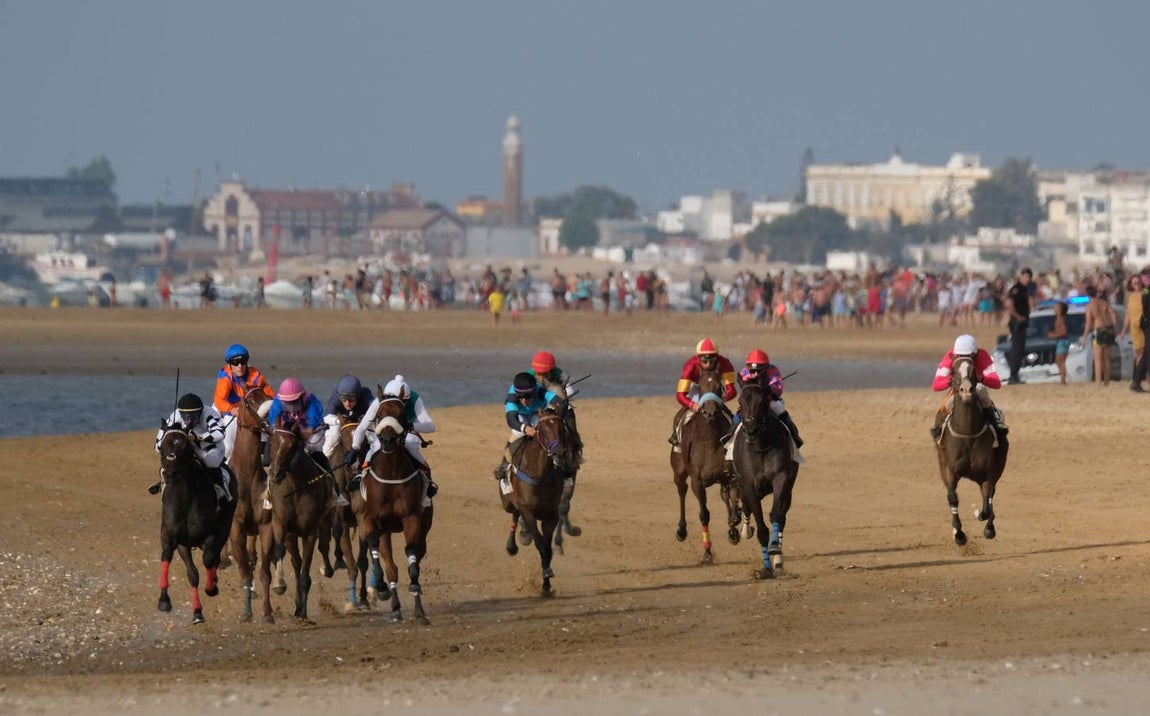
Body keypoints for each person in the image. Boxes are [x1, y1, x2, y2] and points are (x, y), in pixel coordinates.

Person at [345, 375, 437, 506]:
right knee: (375, 445)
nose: (403, 405)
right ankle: (362, 474)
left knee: (410, 444)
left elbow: (431, 426)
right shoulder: (380, 401)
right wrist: (355, 448)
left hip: (407, 433)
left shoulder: (415, 399)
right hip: (384, 434)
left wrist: (411, 425)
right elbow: (362, 427)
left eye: (404, 403)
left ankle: (427, 479)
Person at [267, 378, 348, 507]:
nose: (292, 407)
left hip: (310, 431)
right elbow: (273, 423)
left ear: (302, 397)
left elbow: (310, 428)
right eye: (287, 404)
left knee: (314, 451)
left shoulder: (312, 403)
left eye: (294, 403)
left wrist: (301, 436)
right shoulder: (277, 403)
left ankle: (335, 491)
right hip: (288, 431)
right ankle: (268, 493)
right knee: (275, 451)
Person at [151, 393, 234, 509]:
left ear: (200, 412)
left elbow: (220, 433)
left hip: (210, 447)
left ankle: (222, 490)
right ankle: (164, 482)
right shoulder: (176, 415)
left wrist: (197, 437)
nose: (188, 420)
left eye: (193, 416)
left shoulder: (209, 414)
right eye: (184, 416)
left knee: (211, 462)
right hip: (187, 446)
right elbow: (158, 444)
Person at [929, 334, 1008, 438]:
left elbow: (996, 383)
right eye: (960, 356)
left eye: (968, 356)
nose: (964, 358)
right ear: (955, 354)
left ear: (975, 353)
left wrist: (982, 378)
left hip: (976, 387)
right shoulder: (950, 356)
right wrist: (951, 381)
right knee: (948, 402)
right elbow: (936, 384)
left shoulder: (982, 355)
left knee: (982, 393)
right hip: (958, 388)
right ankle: (938, 426)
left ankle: (996, 424)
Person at [493, 371, 564, 479]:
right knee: (517, 434)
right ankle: (504, 465)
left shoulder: (541, 391)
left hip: (537, 412)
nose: (524, 401)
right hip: (520, 414)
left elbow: (560, 403)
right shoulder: (512, 398)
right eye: (521, 398)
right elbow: (511, 420)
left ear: (534, 392)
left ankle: (562, 461)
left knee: (548, 431)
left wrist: (556, 410)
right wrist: (524, 428)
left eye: (528, 397)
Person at [668, 338, 737, 447]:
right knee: (681, 415)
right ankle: (677, 435)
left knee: (730, 416)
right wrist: (692, 405)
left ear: (717, 358)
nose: (709, 364)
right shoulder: (690, 366)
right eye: (704, 361)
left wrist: (723, 399)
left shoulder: (725, 363)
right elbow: (680, 395)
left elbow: (732, 390)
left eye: (712, 361)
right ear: (699, 358)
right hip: (696, 387)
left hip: (715, 388)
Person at [213, 343, 276, 461]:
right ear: (229, 365)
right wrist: (232, 410)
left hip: (250, 411)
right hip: (228, 411)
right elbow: (219, 400)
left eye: (243, 361)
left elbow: (271, 396)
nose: (240, 366)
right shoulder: (225, 377)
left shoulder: (256, 376)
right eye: (235, 363)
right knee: (228, 448)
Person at [734, 349, 803, 449]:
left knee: (780, 409)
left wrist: (769, 390)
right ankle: (730, 436)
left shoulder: (773, 370)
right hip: (752, 403)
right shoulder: (744, 372)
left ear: (766, 368)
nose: (756, 374)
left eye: (760, 371)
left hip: (770, 401)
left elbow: (778, 388)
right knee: (739, 414)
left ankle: (794, 436)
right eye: (753, 371)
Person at [529, 350, 584, 463]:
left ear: (551, 370)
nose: (542, 377)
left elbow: (568, 388)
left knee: (569, 415)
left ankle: (575, 449)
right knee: (518, 433)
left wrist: (566, 396)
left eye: (545, 373)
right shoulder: (528, 375)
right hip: (536, 402)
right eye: (539, 373)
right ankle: (506, 463)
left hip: (556, 401)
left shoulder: (559, 373)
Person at [1081, 284, 1118, 386]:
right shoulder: (1104, 303)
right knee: (1107, 358)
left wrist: (1084, 337)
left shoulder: (1089, 306)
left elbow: (1088, 322)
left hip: (1099, 331)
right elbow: (1113, 314)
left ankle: (1098, 382)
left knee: (1098, 359)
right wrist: (1114, 328)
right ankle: (1107, 381)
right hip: (1108, 329)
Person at [1005, 268, 1033, 384]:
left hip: (1023, 324)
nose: (1027, 279)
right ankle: (1013, 376)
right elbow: (1009, 304)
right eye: (1025, 277)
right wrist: (1018, 317)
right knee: (1016, 350)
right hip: (1017, 323)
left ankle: (1015, 375)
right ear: (1021, 276)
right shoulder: (1016, 289)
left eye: (1029, 278)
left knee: (1020, 350)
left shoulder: (1024, 289)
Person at [1048, 301, 1070, 386]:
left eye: (1056, 307)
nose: (1054, 309)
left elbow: (1064, 331)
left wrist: (1053, 335)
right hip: (1062, 341)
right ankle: (1063, 378)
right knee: (1060, 361)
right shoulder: (1058, 318)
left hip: (1062, 341)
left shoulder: (1060, 319)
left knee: (1059, 361)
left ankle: (1063, 380)